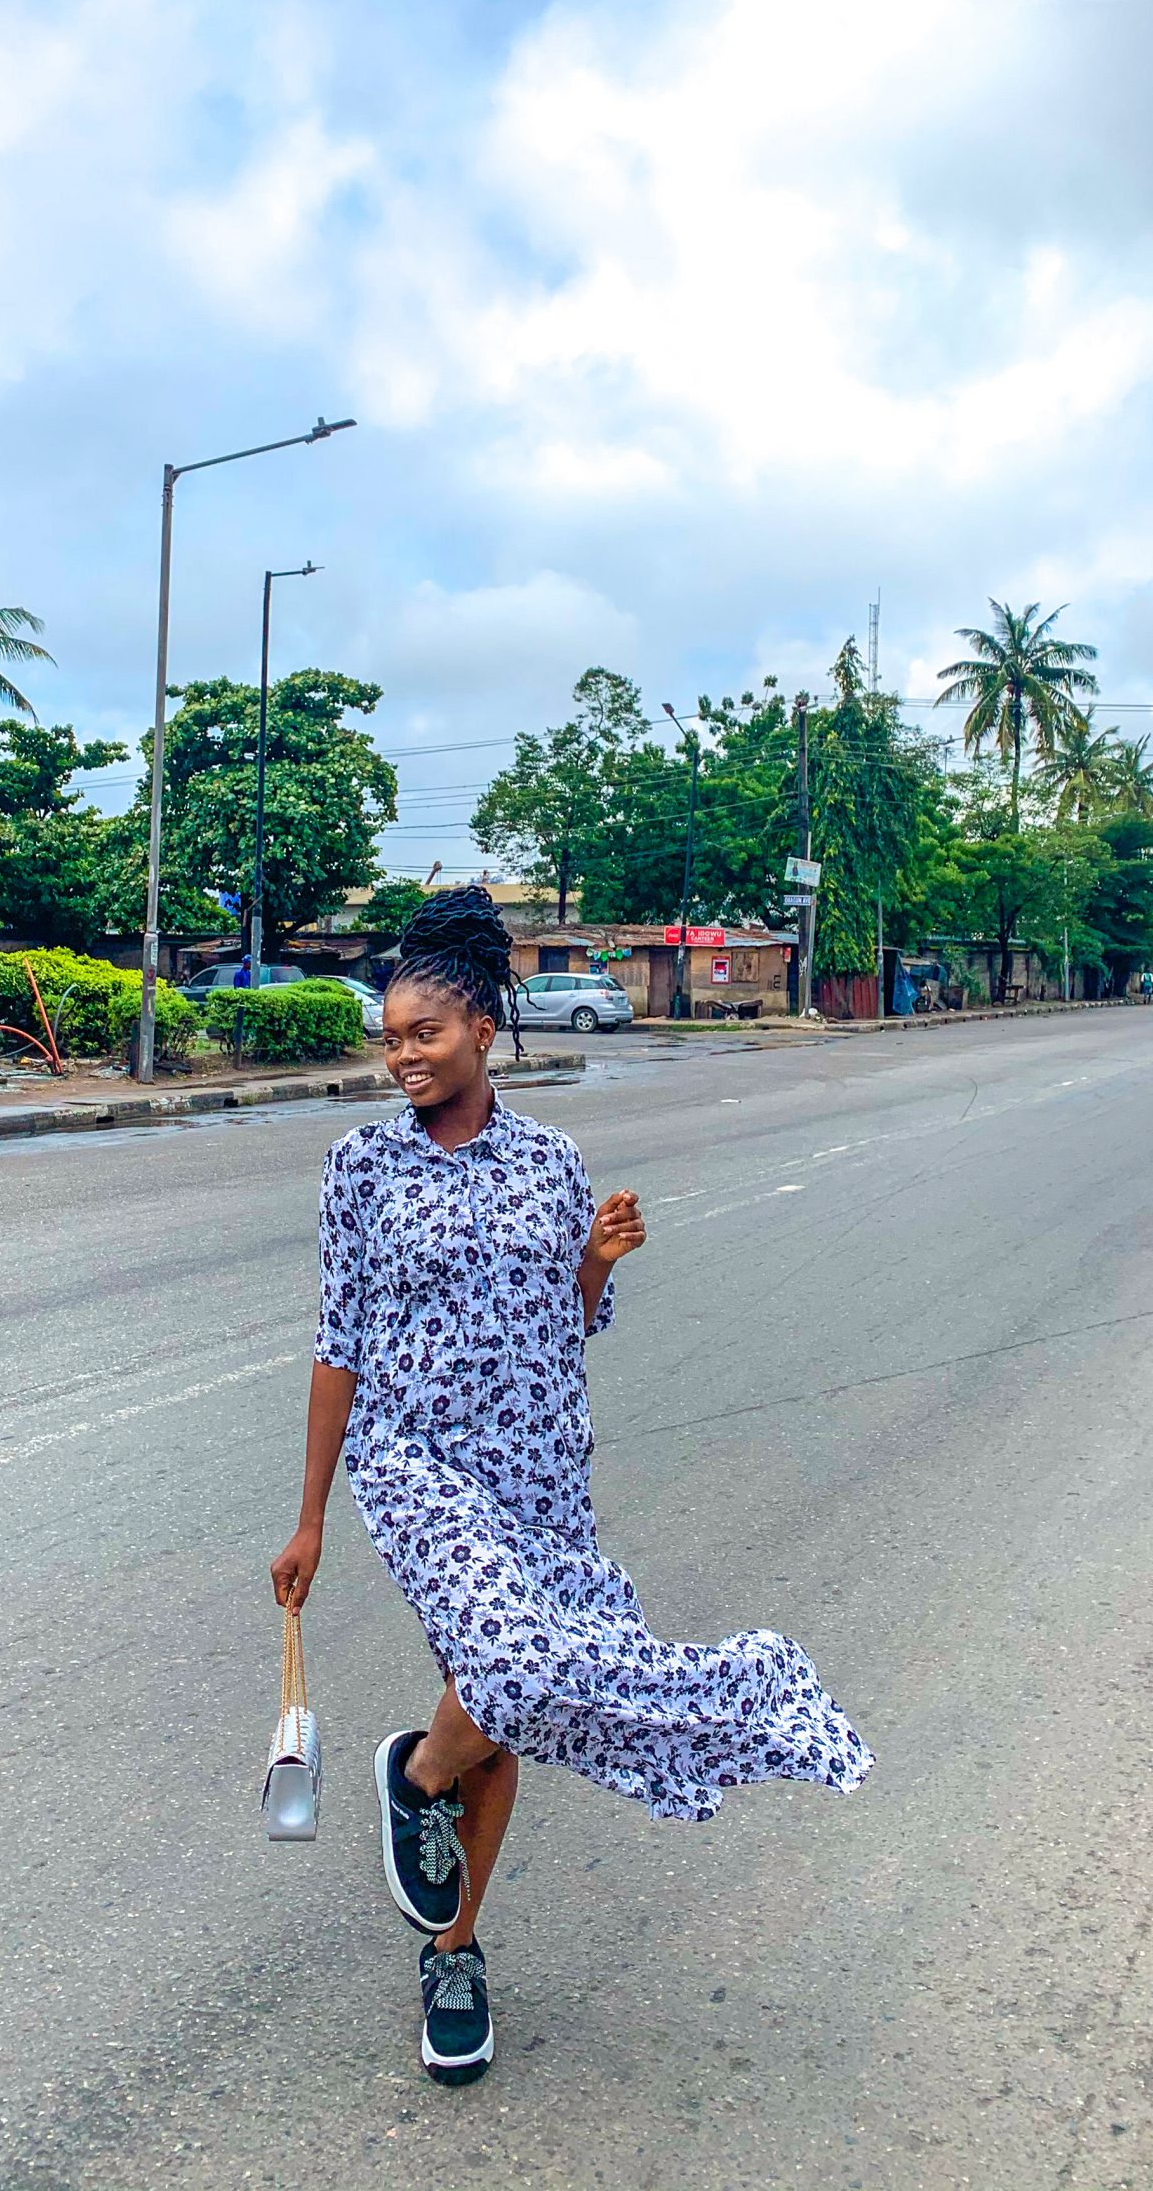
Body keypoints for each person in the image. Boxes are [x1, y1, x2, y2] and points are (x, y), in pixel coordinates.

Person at [271, 887, 871, 2088]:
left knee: (501, 1695)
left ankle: (455, 1945)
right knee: (510, 1667)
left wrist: (595, 1261)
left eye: (422, 1036)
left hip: (538, 1468)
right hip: (419, 1461)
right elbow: (339, 1341)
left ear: (482, 1031)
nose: (400, 1057)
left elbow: (572, 1321)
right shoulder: (359, 1166)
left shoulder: (552, 1159)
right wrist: (311, 1514)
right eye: (388, 1038)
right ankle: (416, 1777)